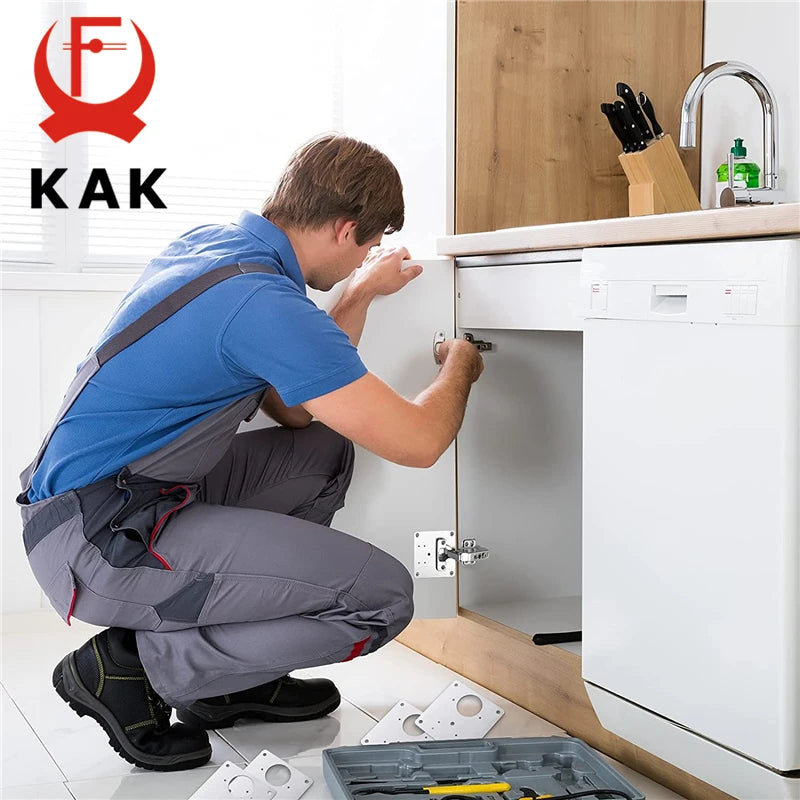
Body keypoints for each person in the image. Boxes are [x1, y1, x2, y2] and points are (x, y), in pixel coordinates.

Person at [16, 133, 484, 772]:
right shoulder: (263, 304)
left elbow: (294, 410)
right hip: (103, 540)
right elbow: (420, 441)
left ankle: (230, 683)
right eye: (368, 245)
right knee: (381, 599)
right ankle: (135, 669)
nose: (363, 259)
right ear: (345, 229)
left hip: (110, 500)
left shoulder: (220, 251)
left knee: (321, 453)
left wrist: (360, 294)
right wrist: (462, 364)